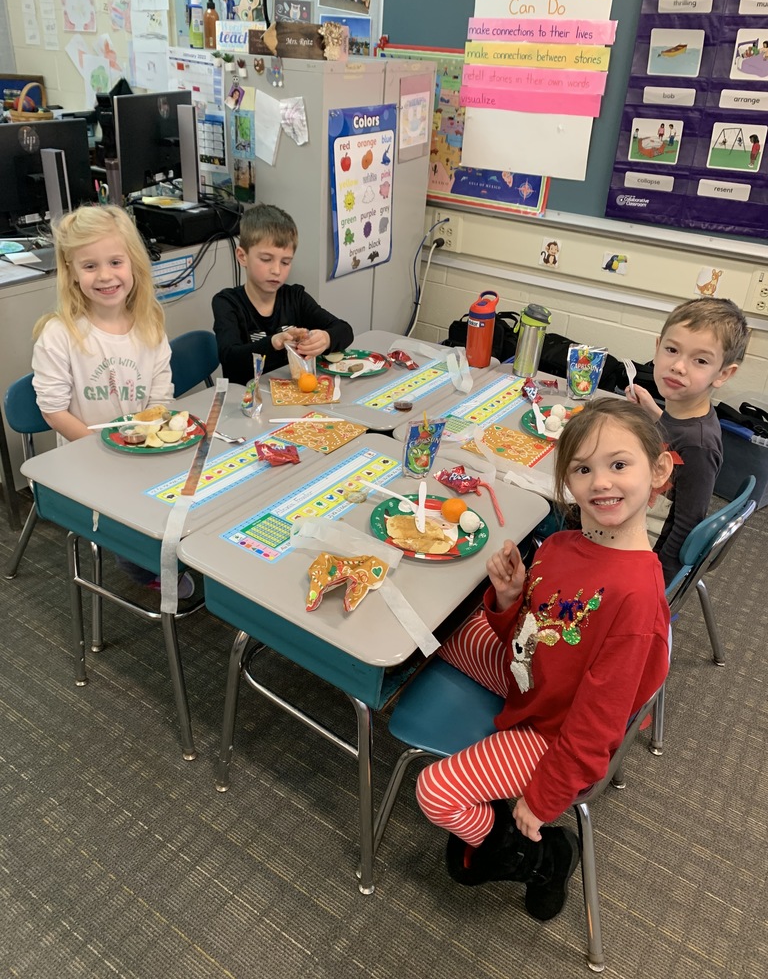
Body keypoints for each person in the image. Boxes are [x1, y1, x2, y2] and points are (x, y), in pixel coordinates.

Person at [415, 399, 673, 921]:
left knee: (435, 792)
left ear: (660, 470)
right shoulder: (559, 543)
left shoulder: (636, 600)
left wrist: (542, 800)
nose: (600, 482)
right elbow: (534, 634)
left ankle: (533, 853)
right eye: (582, 469)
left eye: (618, 465)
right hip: (536, 679)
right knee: (442, 633)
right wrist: (511, 599)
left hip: (555, 731)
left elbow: (597, 725)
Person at [31, 205, 193, 597]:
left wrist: (148, 438)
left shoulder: (149, 323)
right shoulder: (59, 335)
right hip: (88, 461)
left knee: (193, 491)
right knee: (132, 525)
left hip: (141, 452)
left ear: (133, 265)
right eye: (89, 266)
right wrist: (104, 446)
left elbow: (159, 396)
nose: (105, 275)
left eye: (115, 262)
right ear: (71, 273)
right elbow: (53, 410)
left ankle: (171, 548)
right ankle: (139, 565)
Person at [627, 297, 748, 584]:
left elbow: (686, 525)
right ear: (657, 348)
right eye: (671, 350)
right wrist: (654, 413)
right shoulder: (685, 414)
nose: (679, 366)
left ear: (723, 374)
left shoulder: (699, 447)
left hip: (646, 552)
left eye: (700, 360)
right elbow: (673, 437)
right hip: (640, 517)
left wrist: (654, 585)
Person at [212, 204, 354, 385]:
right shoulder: (227, 303)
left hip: (293, 395)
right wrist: (273, 343)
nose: (276, 270)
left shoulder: (295, 297)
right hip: (247, 400)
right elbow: (231, 359)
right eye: (266, 259)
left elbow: (344, 330)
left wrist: (326, 339)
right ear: (242, 256)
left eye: (285, 262)